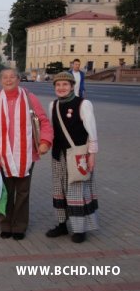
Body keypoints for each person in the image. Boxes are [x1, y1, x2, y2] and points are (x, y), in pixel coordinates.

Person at [0, 68, 53, 240]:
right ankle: (5, 224)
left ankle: (19, 226)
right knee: (5, 192)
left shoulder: (30, 98)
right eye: (5, 77)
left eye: (12, 77)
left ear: (18, 80)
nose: (8, 80)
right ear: (0, 81)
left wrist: (45, 142)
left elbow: (44, 122)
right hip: (3, 155)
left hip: (26, 154)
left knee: (23, 192)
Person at [45, 72, 98, 243]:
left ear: (72, 86)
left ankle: (79, 230)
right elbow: (52, 130)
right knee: (59, 189)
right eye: (58, 85)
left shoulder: (83, 104)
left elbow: (92, 132)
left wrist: (92, 156)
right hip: (58, 154)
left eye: (65, 85)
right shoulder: (52, 105)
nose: (61, 88)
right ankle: (62, 225)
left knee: (76, 190)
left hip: (78, 154)